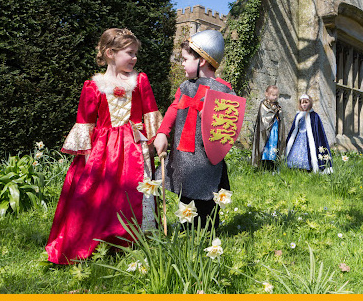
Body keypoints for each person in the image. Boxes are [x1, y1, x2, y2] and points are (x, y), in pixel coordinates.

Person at [45, 29, 162, 264]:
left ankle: (135, 239)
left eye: (136, 54)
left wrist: (155, 140)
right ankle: (98, 239)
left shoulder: (140, 81)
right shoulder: (93, 86)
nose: (134, 58)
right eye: (130, 53)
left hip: (135, 148)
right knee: (101, 194)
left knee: (134, 191)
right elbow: (85, 122)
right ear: (110, 53)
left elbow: (150, 112)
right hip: (104, 150)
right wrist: (87, 157)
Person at [154, 29, 238, 230]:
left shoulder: (224, 90)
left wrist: (212, 118)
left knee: (208, 202)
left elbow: (230, 126)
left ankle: (208, 235)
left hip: (207, 159)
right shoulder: (184, 87)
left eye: (185, 59)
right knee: (186, 198)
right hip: (184, 155)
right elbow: (174, 108)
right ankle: (187, 232)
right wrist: (162, 133)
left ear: (201, 61)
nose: (182, 63)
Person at [284, 94, 333, 173]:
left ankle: (308, 167)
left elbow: (319, 132)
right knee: (296, 152)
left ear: (310, 103)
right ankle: (295, 167)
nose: (304, 104)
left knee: (308, 152)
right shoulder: (298, 115)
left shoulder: (314, 115)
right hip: (299, 138)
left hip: (309, 139)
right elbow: (294, 129)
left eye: (306, 102)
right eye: (302, 103)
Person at [251, 84, 286, 170]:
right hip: (265, 131)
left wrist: (278, 113)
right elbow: (264, 118)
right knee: (265, 146)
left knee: (274, 146)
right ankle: (263, 166)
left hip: (275, 129)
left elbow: (281, 119)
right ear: (267, 94)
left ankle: (273, 166)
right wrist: (274, 113)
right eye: (273, 95)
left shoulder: (278, 106)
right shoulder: (263, 104)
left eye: (276, 95)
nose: (275, 97)